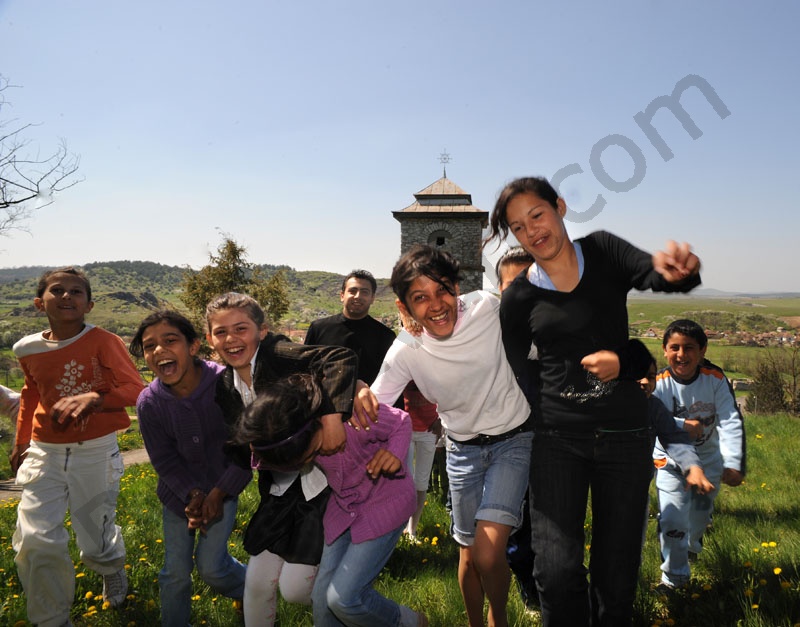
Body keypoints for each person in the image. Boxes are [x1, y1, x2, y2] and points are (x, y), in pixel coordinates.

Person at [486, 176, 702, 627]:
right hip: (557, 442)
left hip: (625, 439)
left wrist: (681, 271)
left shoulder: (603, 251)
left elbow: (656, 273)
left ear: (560, 208)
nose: (532, 231)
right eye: (519, 227)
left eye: (538, 215)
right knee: (557, 570)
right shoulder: (519, 297)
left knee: (616, 573)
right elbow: (516, 368)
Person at [362, 244, 533, 627]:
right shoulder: (406, 348)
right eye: (420, 298)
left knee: (490, 554)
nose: (436, 305)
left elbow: (540, 329)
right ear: (405, 307)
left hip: (513, 440)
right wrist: (353, 393)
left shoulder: (486, 307)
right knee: (469, 555)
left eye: (443, 291)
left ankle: (498, 620)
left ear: (457, 287)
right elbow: (376, 404)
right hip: (461, 452)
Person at [205, 292, 360, 627]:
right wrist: (215, 492)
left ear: (262, 331)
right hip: (278, 493)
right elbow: (239, 448)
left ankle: (362, 602)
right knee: (257, 585)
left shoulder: (277, 354)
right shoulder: (224, 387)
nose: (231, 339)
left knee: (298, 589)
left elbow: (339, 357)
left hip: (321, 489)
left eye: (241, 329)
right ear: (209, 339)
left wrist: (332, 418)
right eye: (221, 332)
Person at [232, 373, 427, 627]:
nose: (312, 460)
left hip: (385, 505)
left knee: (343, 599)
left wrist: (394, 453)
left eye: (312, 453)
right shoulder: (294, 433)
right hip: (344, 509)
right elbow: (264, 454)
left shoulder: (353, 417)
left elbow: (401, 421)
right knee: (322, 600)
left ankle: (409, 622)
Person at [9, 267, 144, 627]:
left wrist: (96, 399)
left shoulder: (104, 341)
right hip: (45, 451)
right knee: (36, 539)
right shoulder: (27, 348)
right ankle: (51, 618)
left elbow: (137, 389)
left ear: (89, 304)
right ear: (40, 303)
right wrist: (21, 440)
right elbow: (31, 394)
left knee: (94, 533)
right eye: (57, 290)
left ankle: (109, 567)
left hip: (95, 451)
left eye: (76, 291)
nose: (67, 296)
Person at [129, 310, 252, 626]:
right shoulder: (149, 403)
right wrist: (193, 494)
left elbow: (244, 449)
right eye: (149, 346)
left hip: (224, 489)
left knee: (212, 568)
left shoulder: (227, 384)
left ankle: (253, 590)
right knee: (175, 573)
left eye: (170, 340)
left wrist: (216, 493)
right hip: (177, 498)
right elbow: (164, 460)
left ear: (194, 345)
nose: (159, 351)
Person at [652, 319, 745, 590]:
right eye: (675, 348)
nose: (682, 355)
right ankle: (673, 581)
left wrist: (734, 463)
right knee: (672, 520)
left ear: (703, 351)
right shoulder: (659, 383)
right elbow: (654, 419)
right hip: (669, 463)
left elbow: (729, 421)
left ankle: (692, 545)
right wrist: (683, 425)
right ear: (665, 350)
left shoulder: (715, 380)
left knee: (698, 520)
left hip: (708, 463)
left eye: (690, 348)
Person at [494, 246, 539, 612]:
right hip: (506, 443)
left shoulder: (560, 327)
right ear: (499, 289)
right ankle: (527, 581)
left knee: (558, 520)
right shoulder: (487, 331)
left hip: (555, 442)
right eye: (514, 285)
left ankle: (565, 584)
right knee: (517, 520)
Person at [305, 269, 396, 385]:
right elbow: (305, 373)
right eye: (353, 291)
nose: (358, 296)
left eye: (364, 292)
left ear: (372, 298)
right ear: (342, 295)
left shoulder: (385, 336)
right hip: (324, 401)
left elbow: (390, 380)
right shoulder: (318, 329)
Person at [397, 310, 442, 539]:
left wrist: (441, 420)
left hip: (429, 428)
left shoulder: (436, 349)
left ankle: (412, 530)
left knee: (421, 481)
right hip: (403, 429)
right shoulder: (400, 347)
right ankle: (398, 527)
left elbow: (448, 387)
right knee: (404, 480)